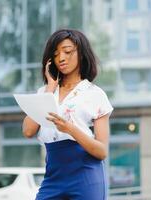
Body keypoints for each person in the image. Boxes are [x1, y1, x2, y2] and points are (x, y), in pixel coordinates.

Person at [22, 29, 113, 200]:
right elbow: (28, 131)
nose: (61, 58)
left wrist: (70, 128)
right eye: (55, 54)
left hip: (85, 175)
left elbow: (102, 151)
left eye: (68, 51)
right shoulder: (45, 91)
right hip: (53, 175)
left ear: (81, 53)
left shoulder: (95, 94)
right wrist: (49, 89)